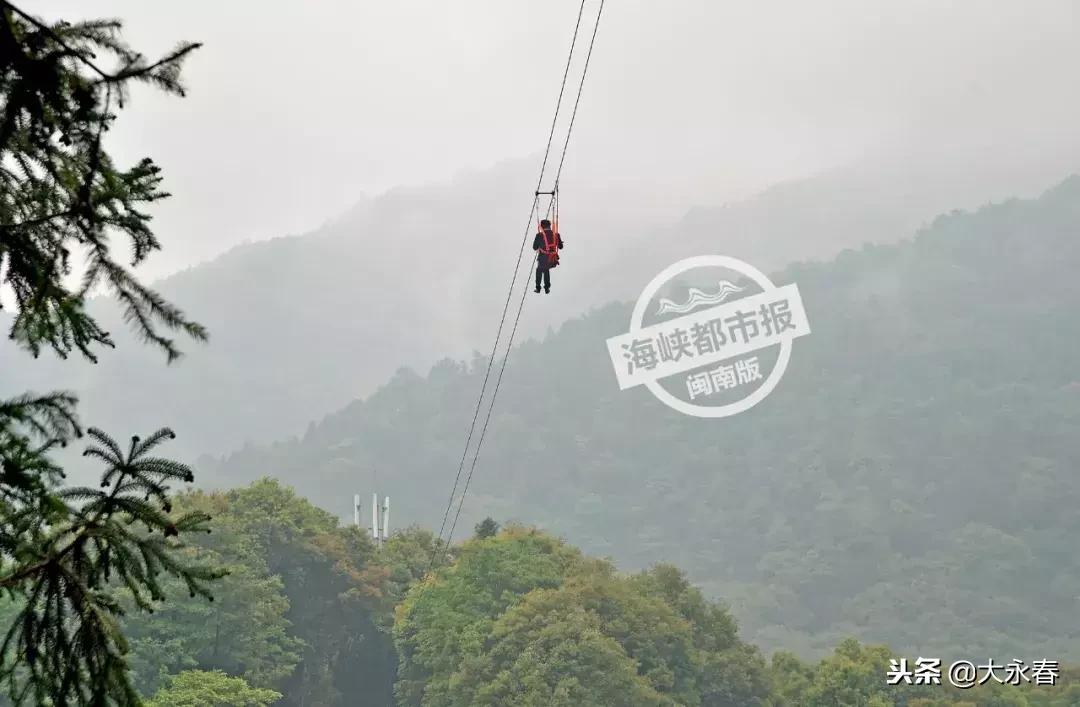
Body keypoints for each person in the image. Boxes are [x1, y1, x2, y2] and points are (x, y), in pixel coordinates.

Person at [532, 219, 564, 294]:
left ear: (542, 227)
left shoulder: (539, 235)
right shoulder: (556, 234)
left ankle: (538, 287)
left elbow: (535, 248)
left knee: (539, 270)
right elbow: (561, 247)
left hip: (543, 260)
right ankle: (547, 288)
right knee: (546, 269)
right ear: (549, 226)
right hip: (552, 260)